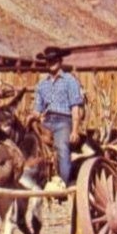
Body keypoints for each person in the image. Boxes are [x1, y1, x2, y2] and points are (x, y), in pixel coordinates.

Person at [31, 46, 83, 186]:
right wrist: (33, 116)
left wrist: (74, 130)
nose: (51, 62)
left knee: (62, 148)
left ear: (60, 61)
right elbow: (37, 108)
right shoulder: (41, 84)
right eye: (48, 60)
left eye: (54, 60)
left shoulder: (69, 80)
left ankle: (63, 186)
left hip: (63, 121)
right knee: (29, 144)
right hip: (46, 121)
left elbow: (75, 107)